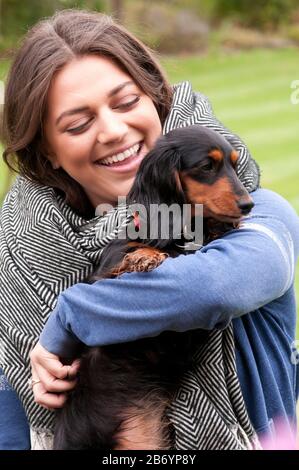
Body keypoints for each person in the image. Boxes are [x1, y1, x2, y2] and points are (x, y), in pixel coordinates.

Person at [0, 8, 298, 450]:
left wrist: (69, 317)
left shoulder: (258, 217)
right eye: (79, 124)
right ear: (48, 152)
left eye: (126, 102)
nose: (114, 130)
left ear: (156, 100)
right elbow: (10, 421)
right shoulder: (22, 258)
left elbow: (209, 289)